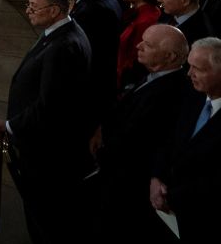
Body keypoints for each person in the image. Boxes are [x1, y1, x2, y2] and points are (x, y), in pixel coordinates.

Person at [0, 0, 94, 244]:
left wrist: (10, 126)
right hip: (44, 143)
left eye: (34, 7)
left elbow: (50, 105)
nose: (28, 11)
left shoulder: (64, 46)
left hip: (47, 149)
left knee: (45, 218)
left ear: (55, 11)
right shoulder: (60, 33)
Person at [92, 23, 190, 238]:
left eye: (148, 45)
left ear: (170, 56)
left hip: (127, 185)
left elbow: (139, 139)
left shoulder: (172, 93)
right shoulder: (151, 73)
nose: (138, 46)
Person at [150, 36, 221, 241]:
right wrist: (156, 177)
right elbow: (168, 138)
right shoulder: (193, 94)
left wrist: (170, 197)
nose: (189, 74)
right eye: (189, 66)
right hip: (166, 208)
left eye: (198, 69)